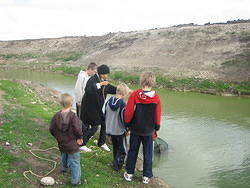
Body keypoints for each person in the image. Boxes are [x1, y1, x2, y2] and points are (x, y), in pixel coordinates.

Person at [123, 72, 162, 184]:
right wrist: (156, 127)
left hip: (135, 129)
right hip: (149, 131)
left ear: (141, 81)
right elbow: (158, 114)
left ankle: (129, 174)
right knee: (148, 153)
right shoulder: (156, 98)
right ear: (152, 82)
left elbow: (129, 112)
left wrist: (127, 124)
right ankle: (146, 176)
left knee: (133, 151)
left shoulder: (135, 95)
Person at [80, 64, 116, 152]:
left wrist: (122, 89)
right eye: (105, 74)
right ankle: (82, 144)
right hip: (89, 108)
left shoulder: (103, 81)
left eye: (107, 74)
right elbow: (88, 89)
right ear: (100, 73)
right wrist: (100, 84)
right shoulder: (93, 80)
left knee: (104, 123)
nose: (106, 76)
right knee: (94, 127)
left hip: (97, 108)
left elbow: (110, 89)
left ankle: (101, 142)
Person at [49, 93, 83, 186]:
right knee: (75, 161)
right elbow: (77, 129)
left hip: (62, 143)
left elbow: (51, 129)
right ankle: (75, 181)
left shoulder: (56, 116)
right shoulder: (73, 116)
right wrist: (79, 137)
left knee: (64, 155)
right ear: (71, 104)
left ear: (60, 103)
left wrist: (58, 137)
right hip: (72, 145)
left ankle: (64, 169)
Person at [105, 83, 130, 170]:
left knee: (115, 147)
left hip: (111, 129)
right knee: (122, 149)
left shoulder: (108, 102)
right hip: (119, 130)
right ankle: (118, 165)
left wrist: (107, 130)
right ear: (123, 94)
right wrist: (127, 129)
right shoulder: (123, 105)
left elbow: (105, 115)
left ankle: (115, 161)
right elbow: (124, 119)